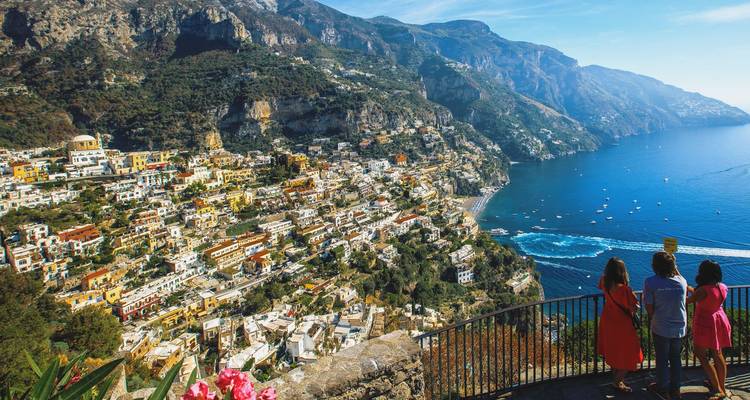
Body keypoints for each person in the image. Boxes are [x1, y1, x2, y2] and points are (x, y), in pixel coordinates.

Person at [644, 251, 688, 399]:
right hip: (680, 327)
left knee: (662, 359)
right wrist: (673, 263)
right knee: (675, 358)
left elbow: (649, 308)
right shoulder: (682, 281)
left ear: (654, 266)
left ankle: (662, 389)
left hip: (661, 326)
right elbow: (678, 274)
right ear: (673, 266)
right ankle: (676, 389)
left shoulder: (650, 282)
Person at [597, 257, 643, 393]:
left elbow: (601, 288)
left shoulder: (604, 281)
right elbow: (635, 307)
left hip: (607, 320)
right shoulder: (625, 290)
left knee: (613, 349)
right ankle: (617, 382)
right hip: (622, 324)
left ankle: (618, 379)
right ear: (622, 272)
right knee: (631, 353)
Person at [688, 260, 732, 400]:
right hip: (719, 320)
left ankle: (717, 389)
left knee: (701, 354)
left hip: (705, 323)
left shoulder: (702, 290)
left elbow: (688, 301)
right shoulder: (722, 287)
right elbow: (704, 294)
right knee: (717, 354)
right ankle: (722, 387)